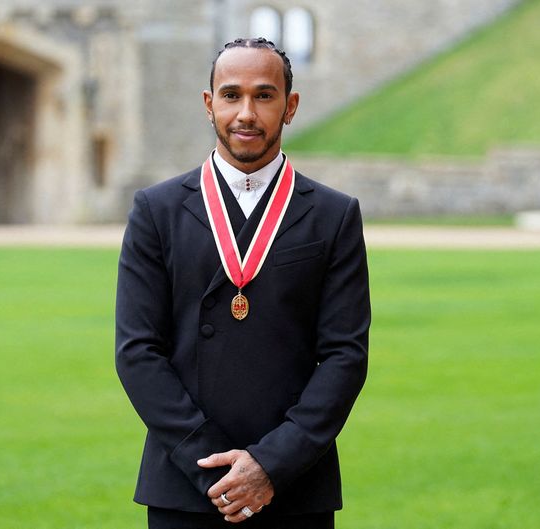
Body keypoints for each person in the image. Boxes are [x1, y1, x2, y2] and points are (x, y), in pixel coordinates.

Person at [115, 37, 370, 529]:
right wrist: (212, 467)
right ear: (209, 105)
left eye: (264, 95)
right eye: (231, 95)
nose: (246, 113)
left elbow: (345, 355)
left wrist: (271, 464)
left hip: (295, 487)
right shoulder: (156, 211)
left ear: (290, 106)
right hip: (186, 485)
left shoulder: (334, 216)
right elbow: (137, 351)